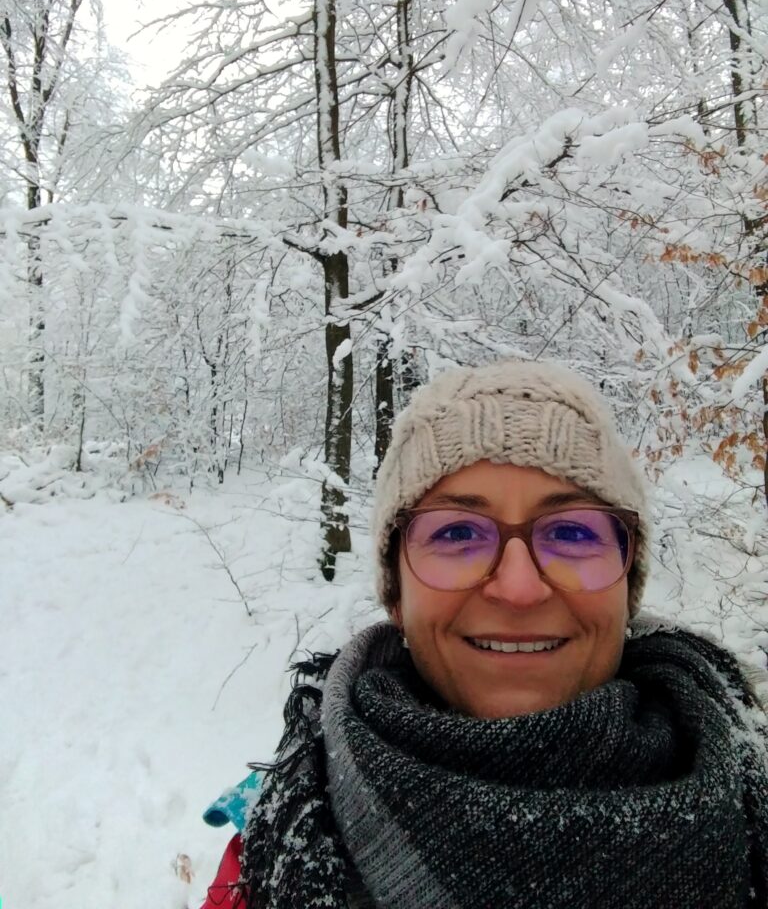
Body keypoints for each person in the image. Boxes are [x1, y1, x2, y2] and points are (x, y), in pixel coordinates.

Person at [201, 359, 768, 909]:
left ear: (627, 582)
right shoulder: (278, 851)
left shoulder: (751, 798)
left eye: (572, 531)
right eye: (457, 532)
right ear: (396, 593)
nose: (519, 588)